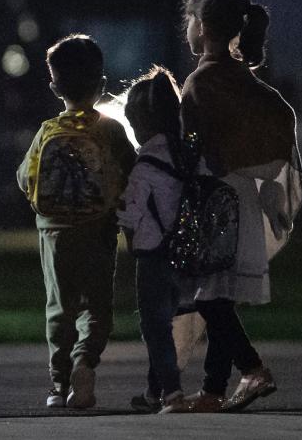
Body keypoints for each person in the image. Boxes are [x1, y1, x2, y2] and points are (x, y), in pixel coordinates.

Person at [173, 0, 302, 413]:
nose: (187, 29)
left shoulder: (201, 83)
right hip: (243, 199)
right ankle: (212, 391)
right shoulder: (248, 84)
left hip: (214, 201)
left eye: (189, 20)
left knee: (207, 297)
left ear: (204, 26)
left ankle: (252, 368)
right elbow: (279, 122)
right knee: (220, 295)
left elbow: (196, 150)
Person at [16, 35, 135, 409]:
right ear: (101, 85)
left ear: (54, 87)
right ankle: (85, 362)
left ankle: (58, 384)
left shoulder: (47, 130)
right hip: (99, 230)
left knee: (59, 307)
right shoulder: (111, 130)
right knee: (96, 307)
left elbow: (24, 178)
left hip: (53, 233)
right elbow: (132, 172)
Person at [116, 66, 188, 413]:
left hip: (153, 255)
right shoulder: (186, 155)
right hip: (184, 254)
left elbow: (132, 212)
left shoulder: (146, 163)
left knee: (154, 326)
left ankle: (171, 393)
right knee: (167, 323)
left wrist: (126, 232)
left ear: (141, 122)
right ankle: (152, 392)